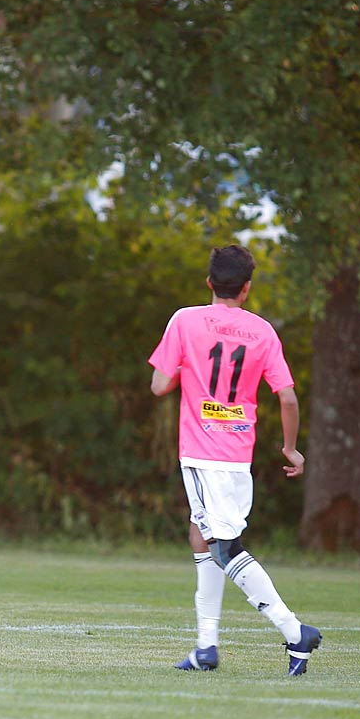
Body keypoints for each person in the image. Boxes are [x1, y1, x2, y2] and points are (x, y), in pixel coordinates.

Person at [148, 244, 321, 676]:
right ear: (246, 288)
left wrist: (186, 370)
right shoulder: (262, 331)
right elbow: (287, 396)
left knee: (225, 547)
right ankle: (206, 647)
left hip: (204, 452)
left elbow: (158, 385)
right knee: (200, 536)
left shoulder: (184, 320)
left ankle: (293, 630)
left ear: (209, 282)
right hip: (236, 453)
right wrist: (290, 447)